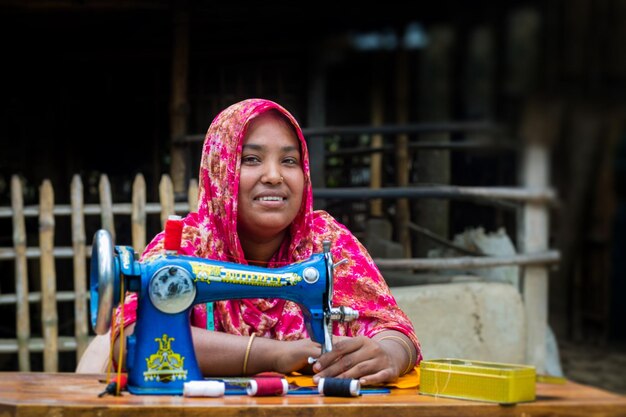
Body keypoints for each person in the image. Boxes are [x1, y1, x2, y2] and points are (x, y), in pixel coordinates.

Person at [111, 98, 421, 386]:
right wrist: (273, 354)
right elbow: (131, 339)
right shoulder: (185, 246)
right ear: (220, 169)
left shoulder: (327, 241)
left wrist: (390, 355)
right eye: (250, 159)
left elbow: (396, 332)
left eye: (289, 161)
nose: (274, 175)